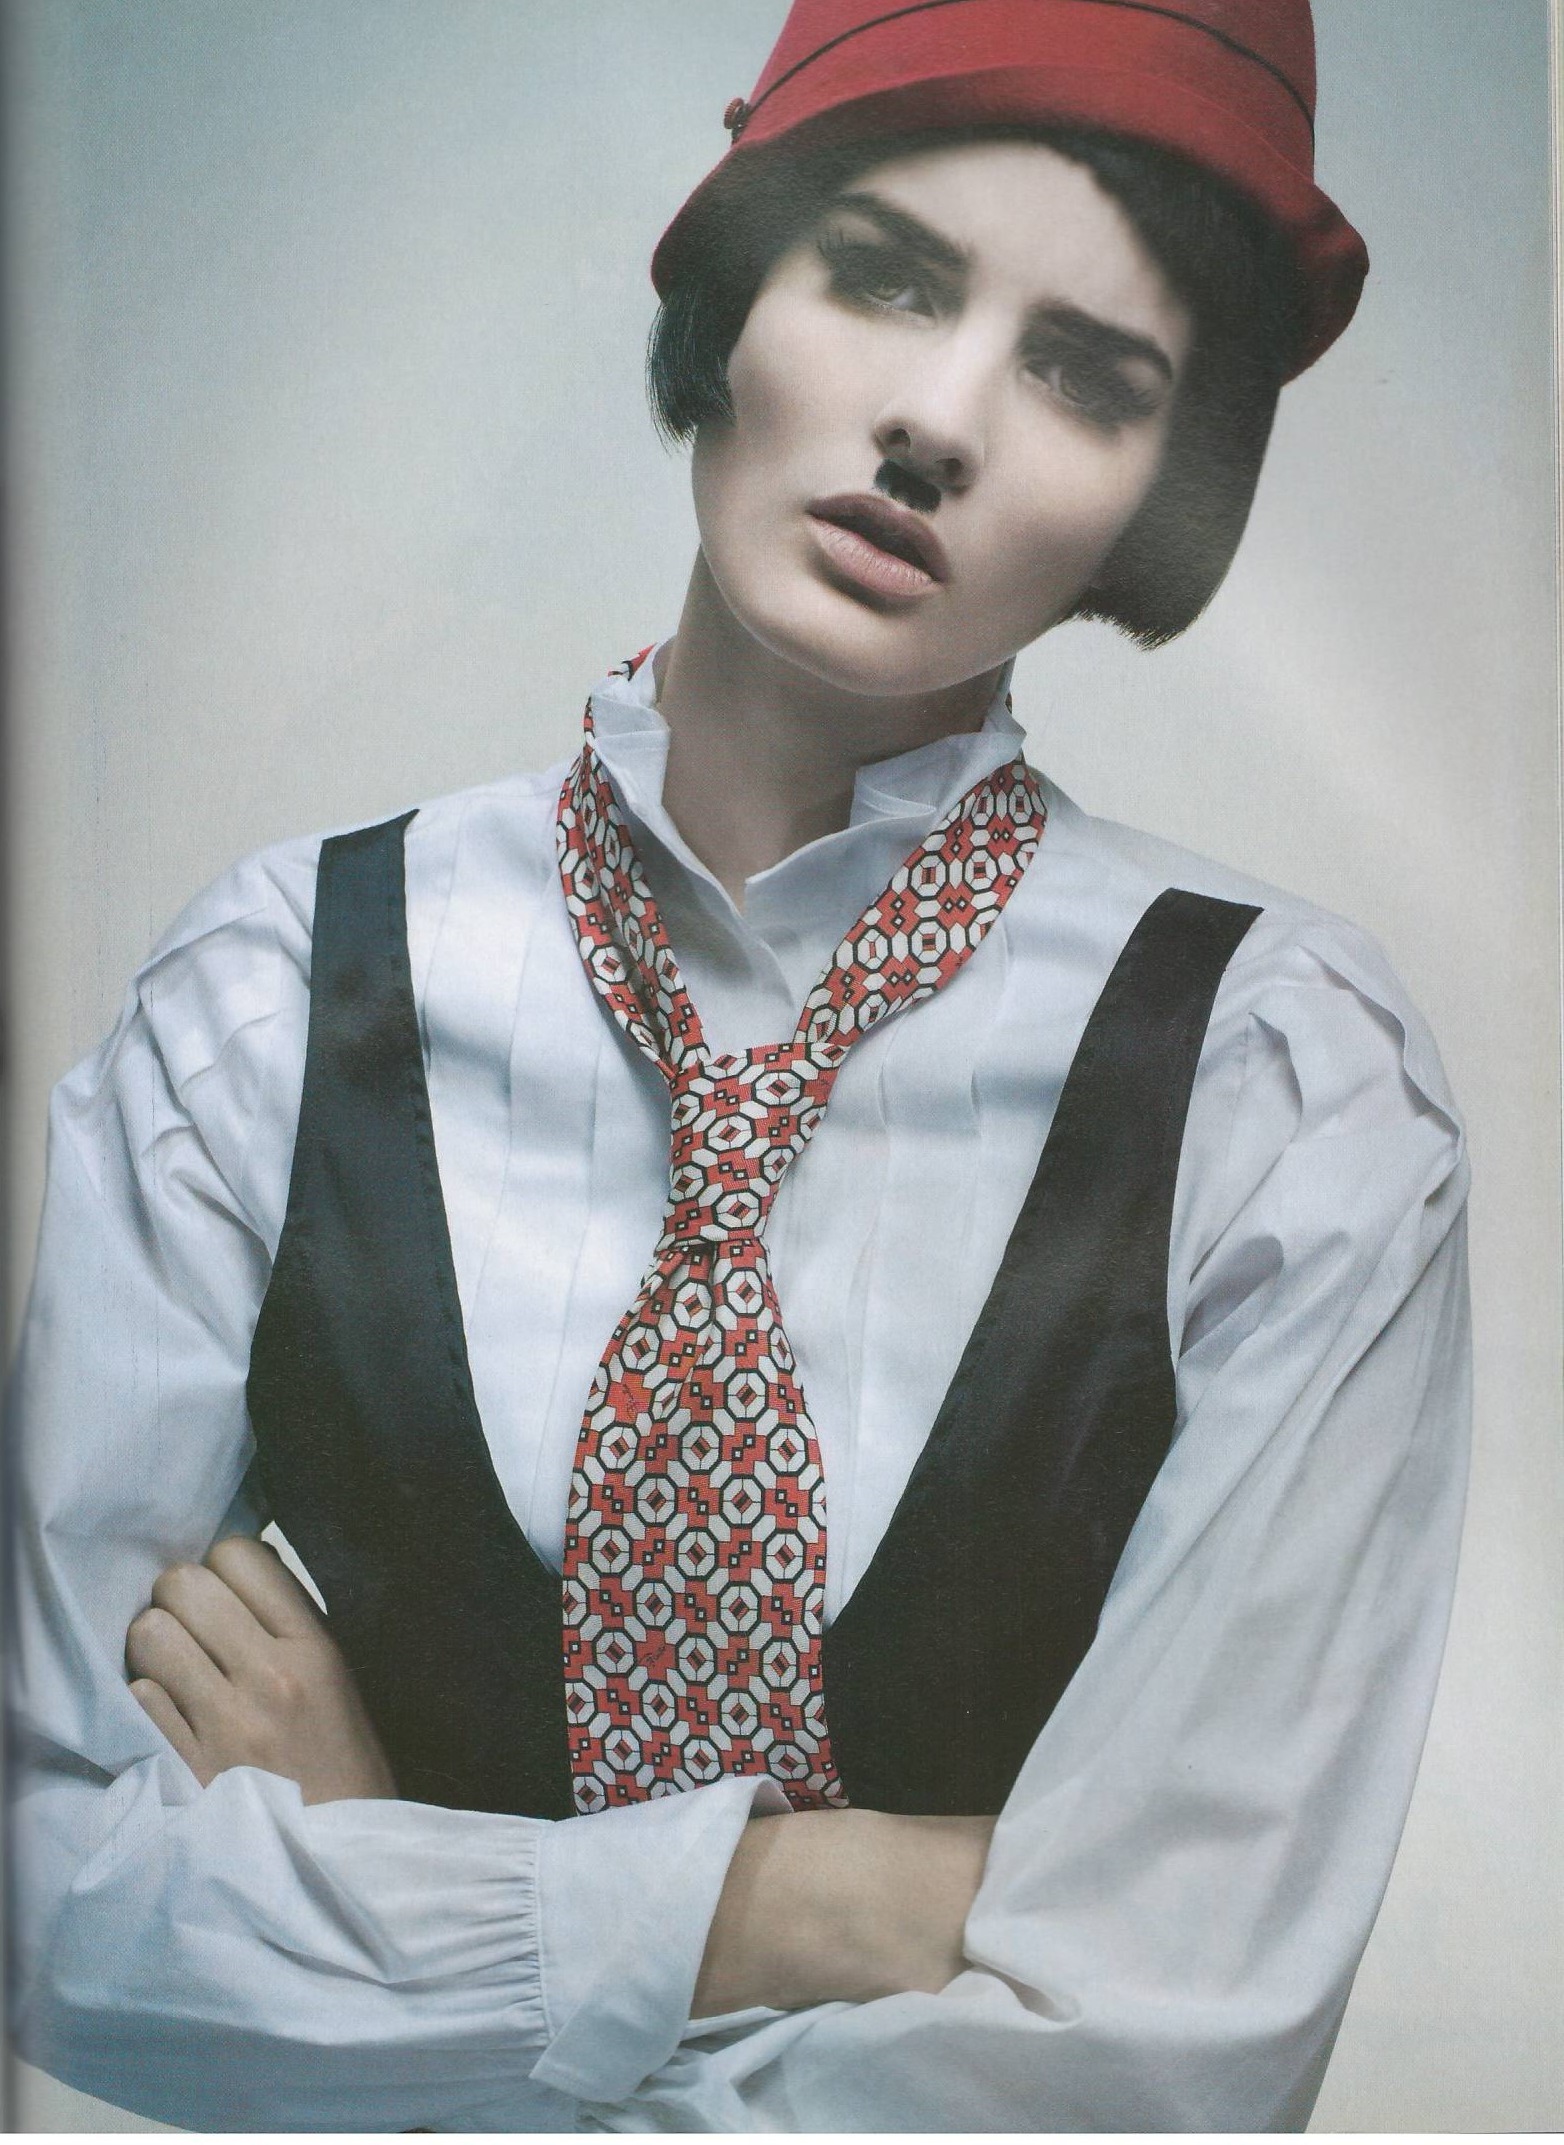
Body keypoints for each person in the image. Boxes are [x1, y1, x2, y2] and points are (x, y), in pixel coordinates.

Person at [8, 0, 1470, 2131]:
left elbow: (1150, 2062)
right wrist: (804, 1900)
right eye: (882, 274)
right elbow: (50, 1887)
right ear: (733, 274)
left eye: (1085, 375)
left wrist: (399, 1893)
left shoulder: (1284, 1089)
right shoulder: (264, 995)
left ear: (1165, 489)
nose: (937, 421)